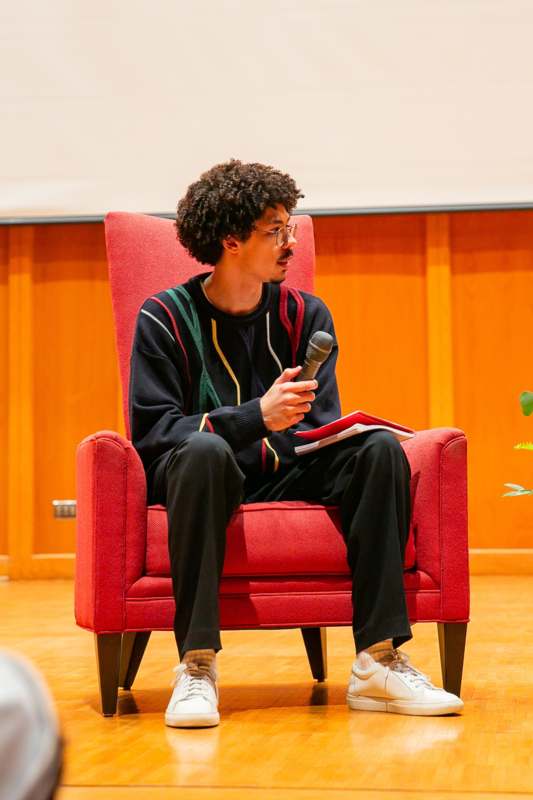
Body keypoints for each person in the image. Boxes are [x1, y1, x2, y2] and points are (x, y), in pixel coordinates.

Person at [129, 159, 463, 727]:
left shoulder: (305, 315)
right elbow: (155, 434)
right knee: (206, 452)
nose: (291, 240)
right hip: (202, 474)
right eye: (275, 229)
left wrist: (335, 431)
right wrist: (253, 417)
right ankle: (197, 666)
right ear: (231, 241)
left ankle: (378, 661)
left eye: (291, 225)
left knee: (379, 449)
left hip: (286, 467)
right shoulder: (162, 317)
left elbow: (317, 428)